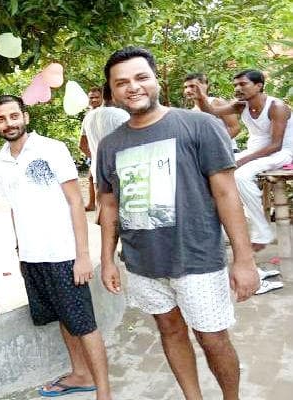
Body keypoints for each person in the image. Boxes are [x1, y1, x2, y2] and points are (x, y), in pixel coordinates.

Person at [97, 46, 259, 400]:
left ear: (156, 80)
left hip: (198, 260)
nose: (133, 87)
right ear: (112, 91)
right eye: (121, 82)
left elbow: (227, 194)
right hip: (142, 263)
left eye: (141, 77)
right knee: (169, 330)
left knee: (212, 338)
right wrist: (107, 259)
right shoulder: (109, 145)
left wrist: (244, 259)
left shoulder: (199, 125)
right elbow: (109, 205)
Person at [0, 95, 112, 400]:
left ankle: (104, 393)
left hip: (63, 254)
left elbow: (75, 202)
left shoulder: (51, 149)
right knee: (62, 316)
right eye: (1, 119)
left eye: (14, 116)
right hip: (32, 257)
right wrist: (20, 251)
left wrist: (82, 256)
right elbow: (16, 208)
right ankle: (80, 374)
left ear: (25, 117)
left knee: (84, 323)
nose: (9, 123)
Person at [192, 69, 293, 253]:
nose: (238, 88)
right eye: (236, 85)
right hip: (255, 152)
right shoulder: (241, 105)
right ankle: (213, 226)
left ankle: (262, 231)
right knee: (214, 168)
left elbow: (276, 145)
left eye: (243, 84)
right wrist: (201, 97)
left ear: (259, 85)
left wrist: (243, 160)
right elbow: (211, 111)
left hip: (281, 153)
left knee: (241, 175)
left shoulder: (276, 107)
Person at [81, 85, 129, 195]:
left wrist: (97, 158)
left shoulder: (88, 117)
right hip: (121, 173)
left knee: (102, 205)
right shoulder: (122, 115)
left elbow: (82, 145)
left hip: (98, 173)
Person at [183, 72, 241, 151]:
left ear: (205, 85)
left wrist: (214, 145)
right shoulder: (191, 112)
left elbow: (235, 128)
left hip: (227, 151)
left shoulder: (216, 102)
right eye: (186, 87)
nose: (188, 90)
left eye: (192, 86)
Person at [79, 87, 104, 211]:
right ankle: (93, 204)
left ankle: (98, 207)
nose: (93, 100)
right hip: (96, 154)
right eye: (91, 97)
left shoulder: (109, 114)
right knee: (91, 177)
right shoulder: (88, 117)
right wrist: (94, 156)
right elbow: (82, 143)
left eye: (96, 97)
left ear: (103, 98)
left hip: (110, 155)